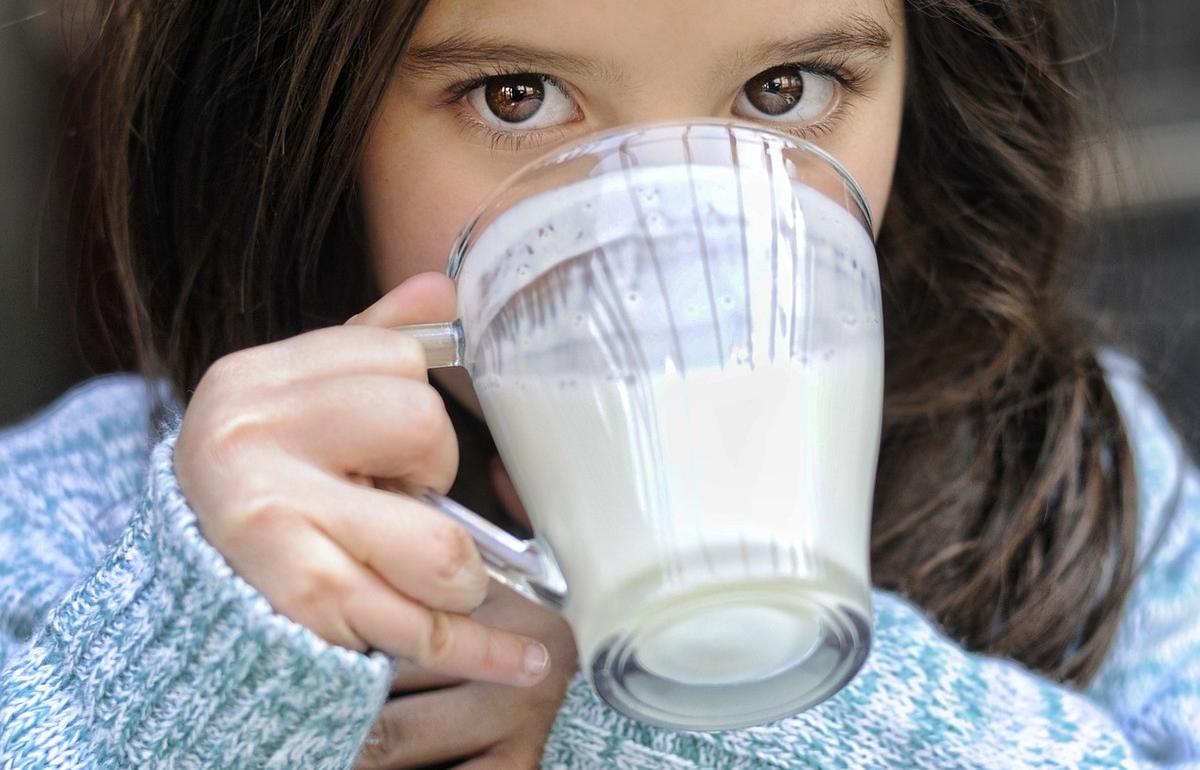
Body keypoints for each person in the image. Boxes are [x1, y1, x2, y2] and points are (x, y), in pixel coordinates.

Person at [1, 0, 1197, 767]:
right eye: (517, 96)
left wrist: (749, 703)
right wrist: (184, 680)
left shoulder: (1076, 481)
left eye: (783, 91)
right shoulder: (95, 531)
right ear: (314, 117)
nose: (664, 252)